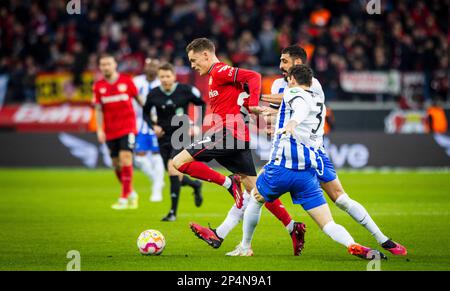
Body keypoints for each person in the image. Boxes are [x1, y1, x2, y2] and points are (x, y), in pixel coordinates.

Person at [228, 65, 387, 260]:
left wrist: (292, 123)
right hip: (306, 172)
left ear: (293, 80)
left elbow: (298, 108)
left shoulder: (294, 92)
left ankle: (245, 247)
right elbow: (293, 110)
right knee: (328, 224)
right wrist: (276, 117)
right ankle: (352, 244)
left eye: (289, 79)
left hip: (281, 167)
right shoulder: (318, 100)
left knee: (255, 199)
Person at [260, 45, 407, 256]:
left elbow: (294, 101)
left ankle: (383, 239)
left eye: (284, 61)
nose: (280, 65)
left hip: (311, 152)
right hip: (290, 151)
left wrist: (258, 97)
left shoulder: (313, 84)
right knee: (256, 189)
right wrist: (267, 118)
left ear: (298, 64)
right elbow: (279, 113)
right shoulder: (276, 84)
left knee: (340, 199)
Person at [173, 38, 307, 256]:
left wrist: (253, 102)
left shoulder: (219, 71)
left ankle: (228, 185)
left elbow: (253, 76)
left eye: (194, 60)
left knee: (178, 162)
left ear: (206, 55)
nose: (192, 65)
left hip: (228, 133)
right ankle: (293, 227)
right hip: (237, 135)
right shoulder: (215, 76)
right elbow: (240, 92)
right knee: (256, 191)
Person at [143, 63, 204, 221]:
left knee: (173, 169)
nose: (165, 79)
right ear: (158, 77)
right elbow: (145, 113)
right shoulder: (154, 94)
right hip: (163, 137)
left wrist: (197, 125)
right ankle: (195, 185)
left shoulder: (185, 90)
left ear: (174, 76)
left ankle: (172, 213)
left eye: (167, 76)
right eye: (162, 76)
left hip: (181, 133)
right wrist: (153, 126)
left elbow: (201, 104)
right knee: (174, 174)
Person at [92, 54, 140, 210]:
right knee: (116, 164)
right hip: (110, 130)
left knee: (126, 158)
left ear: (115, 65)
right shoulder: (98, 86)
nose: (105, 67)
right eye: (103, 64)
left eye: (108, 64)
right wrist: (100, 130)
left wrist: (151, 116)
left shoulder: (127, 81)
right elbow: (99, 110)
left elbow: (140, 100)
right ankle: (131, 192)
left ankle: (123, 198)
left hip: (128, 127)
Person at [133, 58, 165, 202]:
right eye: (149, 65)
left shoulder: (161, 83)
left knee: (157, 155)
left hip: (156, 123)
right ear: (145, 67)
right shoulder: (136, 81)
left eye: (155, 66)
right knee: (139, 158)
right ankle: (156, 179)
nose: (152, 68)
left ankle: (156, 190)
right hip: (139, 122)